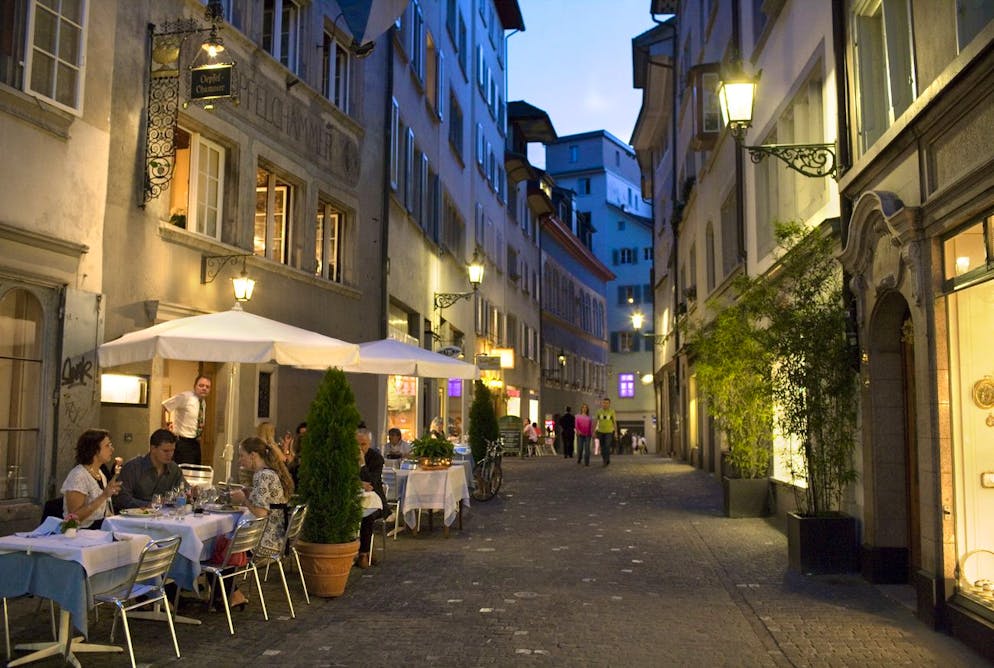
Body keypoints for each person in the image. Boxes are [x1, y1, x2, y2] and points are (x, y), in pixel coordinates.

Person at [227, 436, 295, 609]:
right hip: (277, 535)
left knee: (219, 548)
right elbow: (268, 504)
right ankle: (228, 593)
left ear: (253, 455)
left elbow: (260, 513)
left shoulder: (263, 476)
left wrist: (243, 499)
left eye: (242, 455)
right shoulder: (269, 473)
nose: (240, 459)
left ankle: (232, 594)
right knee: (225, 543)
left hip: (266, 540)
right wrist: (250, 494)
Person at [62, 428, 122, 529]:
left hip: (100, 528)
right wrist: (104, 496)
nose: (112, 449)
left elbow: (104, 512)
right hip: (82, 532)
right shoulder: (78, 476)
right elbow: (73, 518)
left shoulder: (100, 474)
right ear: (95, 450)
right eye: (107, 446)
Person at [114, 429, 186, 510]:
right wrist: (148, 505)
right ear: (153, 449)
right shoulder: (133, 467)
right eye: (165, 451)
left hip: (163, 517)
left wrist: (192, 493)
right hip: (133, 518)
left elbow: (184, 491)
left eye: (172, 450)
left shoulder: (174, 469)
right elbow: (122, 498)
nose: (170, 454)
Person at [162, 375, 211, 465]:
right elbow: (164, 406)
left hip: (195, 443)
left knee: (195, 472)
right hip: (182, 443)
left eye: (207, 387)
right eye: (201, 385)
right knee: (183, 473)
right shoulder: (185, 397)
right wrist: (165, 429)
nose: (204, 388)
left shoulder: (203, 402)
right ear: (195, 386)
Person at [357, 427, 386, 569]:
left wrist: (362, 464)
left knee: (366, 516)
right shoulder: (347, 457)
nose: (360, 448)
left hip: (376, 502)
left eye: (363, 444)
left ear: (369, 444)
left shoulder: (376, 459)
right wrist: (358, 483)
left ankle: (363, 554)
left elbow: (372, 483)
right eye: (357, 444)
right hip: (356, 500)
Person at [595, 397, 618, 467]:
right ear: (602, 403)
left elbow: (614, 422)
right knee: (602, 447)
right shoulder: (599, 411)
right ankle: (605, 459)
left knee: (607, 446)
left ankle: (605, 460)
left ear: (609, 404)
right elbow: (596, 421)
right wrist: (594, 431)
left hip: (609, 432)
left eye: (607, 403)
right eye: (604, 403)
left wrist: (616, 432)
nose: (605, 404)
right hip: (600, 431)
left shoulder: (612, 411)